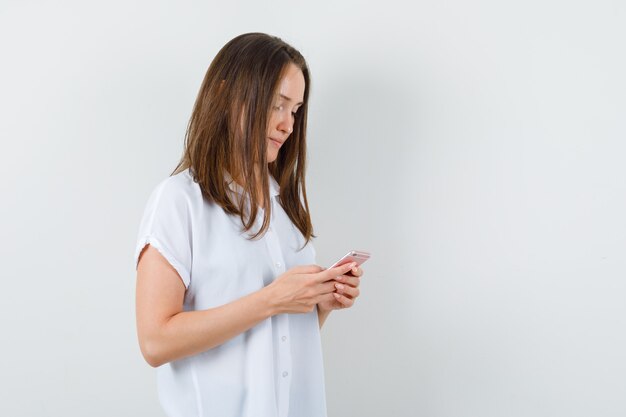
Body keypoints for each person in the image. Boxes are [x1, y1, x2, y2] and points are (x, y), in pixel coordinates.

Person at [133, 33, 364, 417]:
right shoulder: (179, 201)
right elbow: (155, 341)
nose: (287, 124)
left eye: (295, 110)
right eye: (277, 105)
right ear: (227, 96)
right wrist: (272, 299)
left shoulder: (288, 208)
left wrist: (318, 304)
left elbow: (277, 342)